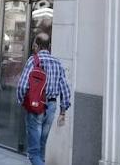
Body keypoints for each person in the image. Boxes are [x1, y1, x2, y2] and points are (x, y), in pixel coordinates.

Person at [15, 32, 71, 165]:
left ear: (36, 46)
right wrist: (63, 111)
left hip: (35, 107)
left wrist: (22, 101)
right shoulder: (57, 63)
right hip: (51, 107)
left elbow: (22, 86)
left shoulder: (33, 60)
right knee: (41, 147)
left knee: (33, 153)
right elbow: (65, 90)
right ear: (49, 46)